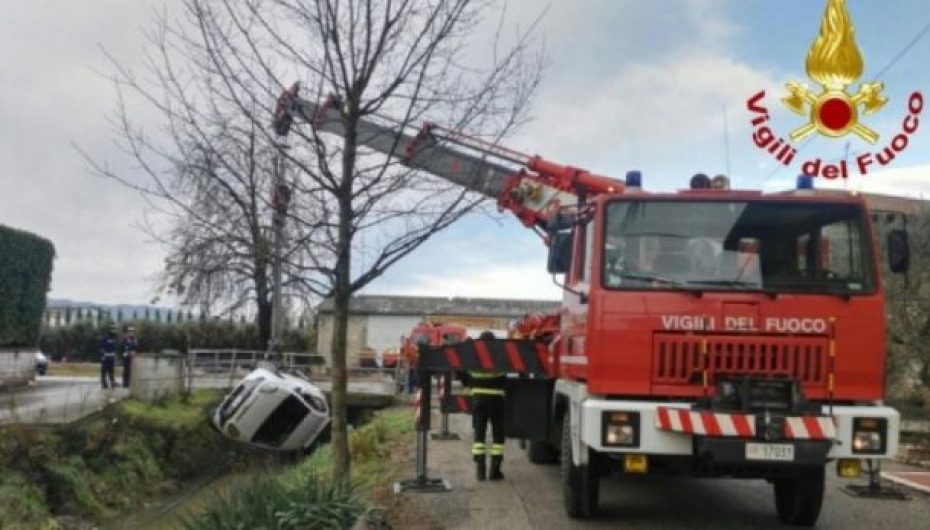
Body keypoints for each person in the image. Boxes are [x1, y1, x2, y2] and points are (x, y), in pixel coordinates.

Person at [466, 330, 507, 481]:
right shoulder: (500, 355)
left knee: (479, 434)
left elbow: (464, 373)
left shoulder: (473, 356)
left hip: (478, 399)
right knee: (498, 435)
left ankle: (480, 471)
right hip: (497, 399)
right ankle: (495, 471)